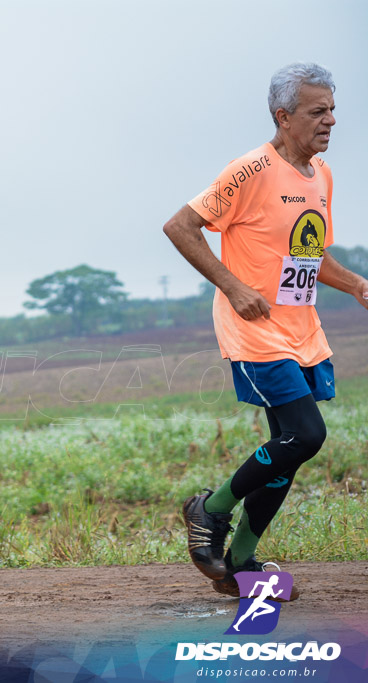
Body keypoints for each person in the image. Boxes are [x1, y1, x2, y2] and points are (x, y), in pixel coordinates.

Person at [163, 63, 368, 598]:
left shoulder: (319, 174)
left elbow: (309, 252)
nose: (330, 121)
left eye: (331, 110)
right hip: (254, 330)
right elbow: (179, 227)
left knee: (290, 445)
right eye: (316, 111)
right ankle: (208, 510)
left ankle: (244, 565)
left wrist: (356, 286)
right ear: (283, 116)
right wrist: (232, 287)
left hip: (302, 330)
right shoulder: (249, 169)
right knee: (306, 435)